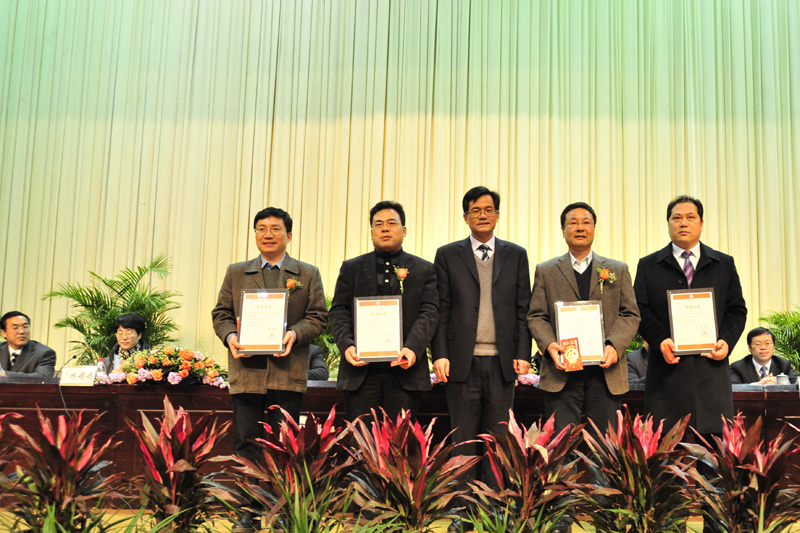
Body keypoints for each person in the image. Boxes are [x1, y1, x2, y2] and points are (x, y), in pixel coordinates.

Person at [212, 207, 327, 532]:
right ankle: (247, 512)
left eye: (275, 229)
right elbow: (221, 313)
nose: (267, 234)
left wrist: (294, 334)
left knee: (285, 445)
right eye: (261, 228)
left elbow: (319, 317)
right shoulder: (237, 272)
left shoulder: (306, 273)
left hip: (287, 373)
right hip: (246, 373)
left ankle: (283, 511)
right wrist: (231, 337)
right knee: (245, 443)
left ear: (288, 235)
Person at [431, 186, 531, 531]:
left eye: (489, 209)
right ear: (465, 217)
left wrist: (523, 354)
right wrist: (439, 355)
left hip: (502, 363)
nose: (483, 215)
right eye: (476, 210)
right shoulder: (447, 255)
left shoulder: (516, 255)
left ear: (498, 215)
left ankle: (493, 510)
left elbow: (523, 308)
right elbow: (441, 309)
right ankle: (462, 512)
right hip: (462, 362)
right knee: (463, 439)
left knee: (498, 440)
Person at [634, 195, 747, 438]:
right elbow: (639, 310)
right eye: (676, 218)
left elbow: (737, 310)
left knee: (713, 451)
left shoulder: (723, 264)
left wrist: (726, 341)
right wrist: (660, 340)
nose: (683, 223)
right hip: (667, 375)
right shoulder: (649, 265)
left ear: (701, 223)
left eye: (690, 217)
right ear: (668, 223)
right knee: (666, 448)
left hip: (711, 373)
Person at [528, 202, 640, 435]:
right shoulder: (546, 271)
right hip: (562, 372)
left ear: (594, 228)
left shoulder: (617, 270)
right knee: (562, 443)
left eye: (586, 222)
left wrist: (614, 345)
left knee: (605, 444)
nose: (580, 227)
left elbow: (630, 313)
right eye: (573, 223)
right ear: (563, 230)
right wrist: (549, 345)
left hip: (605, 372)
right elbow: (537, 315)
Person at [330, 201, 439, 422]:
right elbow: (339, 310)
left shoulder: (424, 269)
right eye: (378, 224)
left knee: (399, 440)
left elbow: (430, 312)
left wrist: (412, 347)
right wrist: (347, 345)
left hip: (405, 370)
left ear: (404, 230)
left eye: (392, 223)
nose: (385, 228)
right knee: (361, 438)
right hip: (360, 371)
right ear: (371, 232)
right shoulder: (351, 268)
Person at [730, 327, 797, 385]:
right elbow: (734, 388)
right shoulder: (738, 367)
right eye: (758, 344)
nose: (763, 347)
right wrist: (758, 385)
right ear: (749, 348)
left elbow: (796, 385)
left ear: (773, 347)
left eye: (767, 343)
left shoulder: (784, 365)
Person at [0, 311, 56, 378]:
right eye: (15, 328)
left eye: (25, 327)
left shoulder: (44, 353)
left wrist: (6, 375)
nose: (21, 331)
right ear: (4, 333)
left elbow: (43, 377)